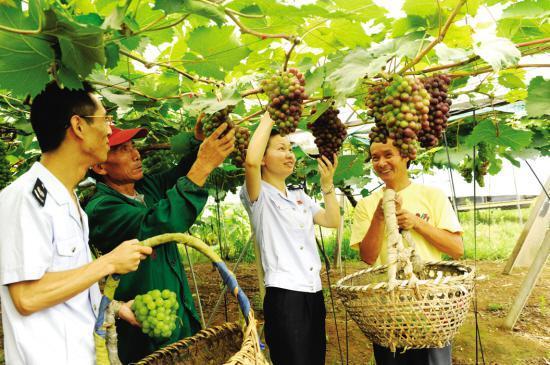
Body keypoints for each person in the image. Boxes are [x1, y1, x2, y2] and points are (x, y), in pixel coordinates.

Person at [0, 82, 152, 365]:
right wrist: (108, 263)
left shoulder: (70, 200)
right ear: (79, 126)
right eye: (105, 119)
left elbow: (68, 282)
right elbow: (27, 297)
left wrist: (116, 308)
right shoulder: (26, 199)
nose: (109, 129)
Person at [85, 119, 235, 363]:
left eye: (134, 146)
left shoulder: (146, 187)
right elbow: (160, 222)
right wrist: (205, 164)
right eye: (123, 149)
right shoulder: (102, 209)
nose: (136, 154)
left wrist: (199, 142)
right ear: (100, 166)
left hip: (176, 311)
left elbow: (182, 174)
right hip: (145, 321)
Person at [350, 138, 464, 365]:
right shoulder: (366, 205)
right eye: (375, 157)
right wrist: (379, 216)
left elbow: (456, 249)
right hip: (389, 311)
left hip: (431, 306)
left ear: (406, 155)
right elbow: (368, 257)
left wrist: (417, 223)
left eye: (388, 154)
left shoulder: (433, 195)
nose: (381, 162)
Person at [240, 112, 340, 365]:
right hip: (285, 296)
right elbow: (250, 162)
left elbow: (332, 221)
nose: (290, 155)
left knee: (315, 359)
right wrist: (272, 114)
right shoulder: (258, 195)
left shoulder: (299, 196)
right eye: (281, 149)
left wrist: (327, 184)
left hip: (314, 292)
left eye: (291, 149)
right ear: (264, 158)